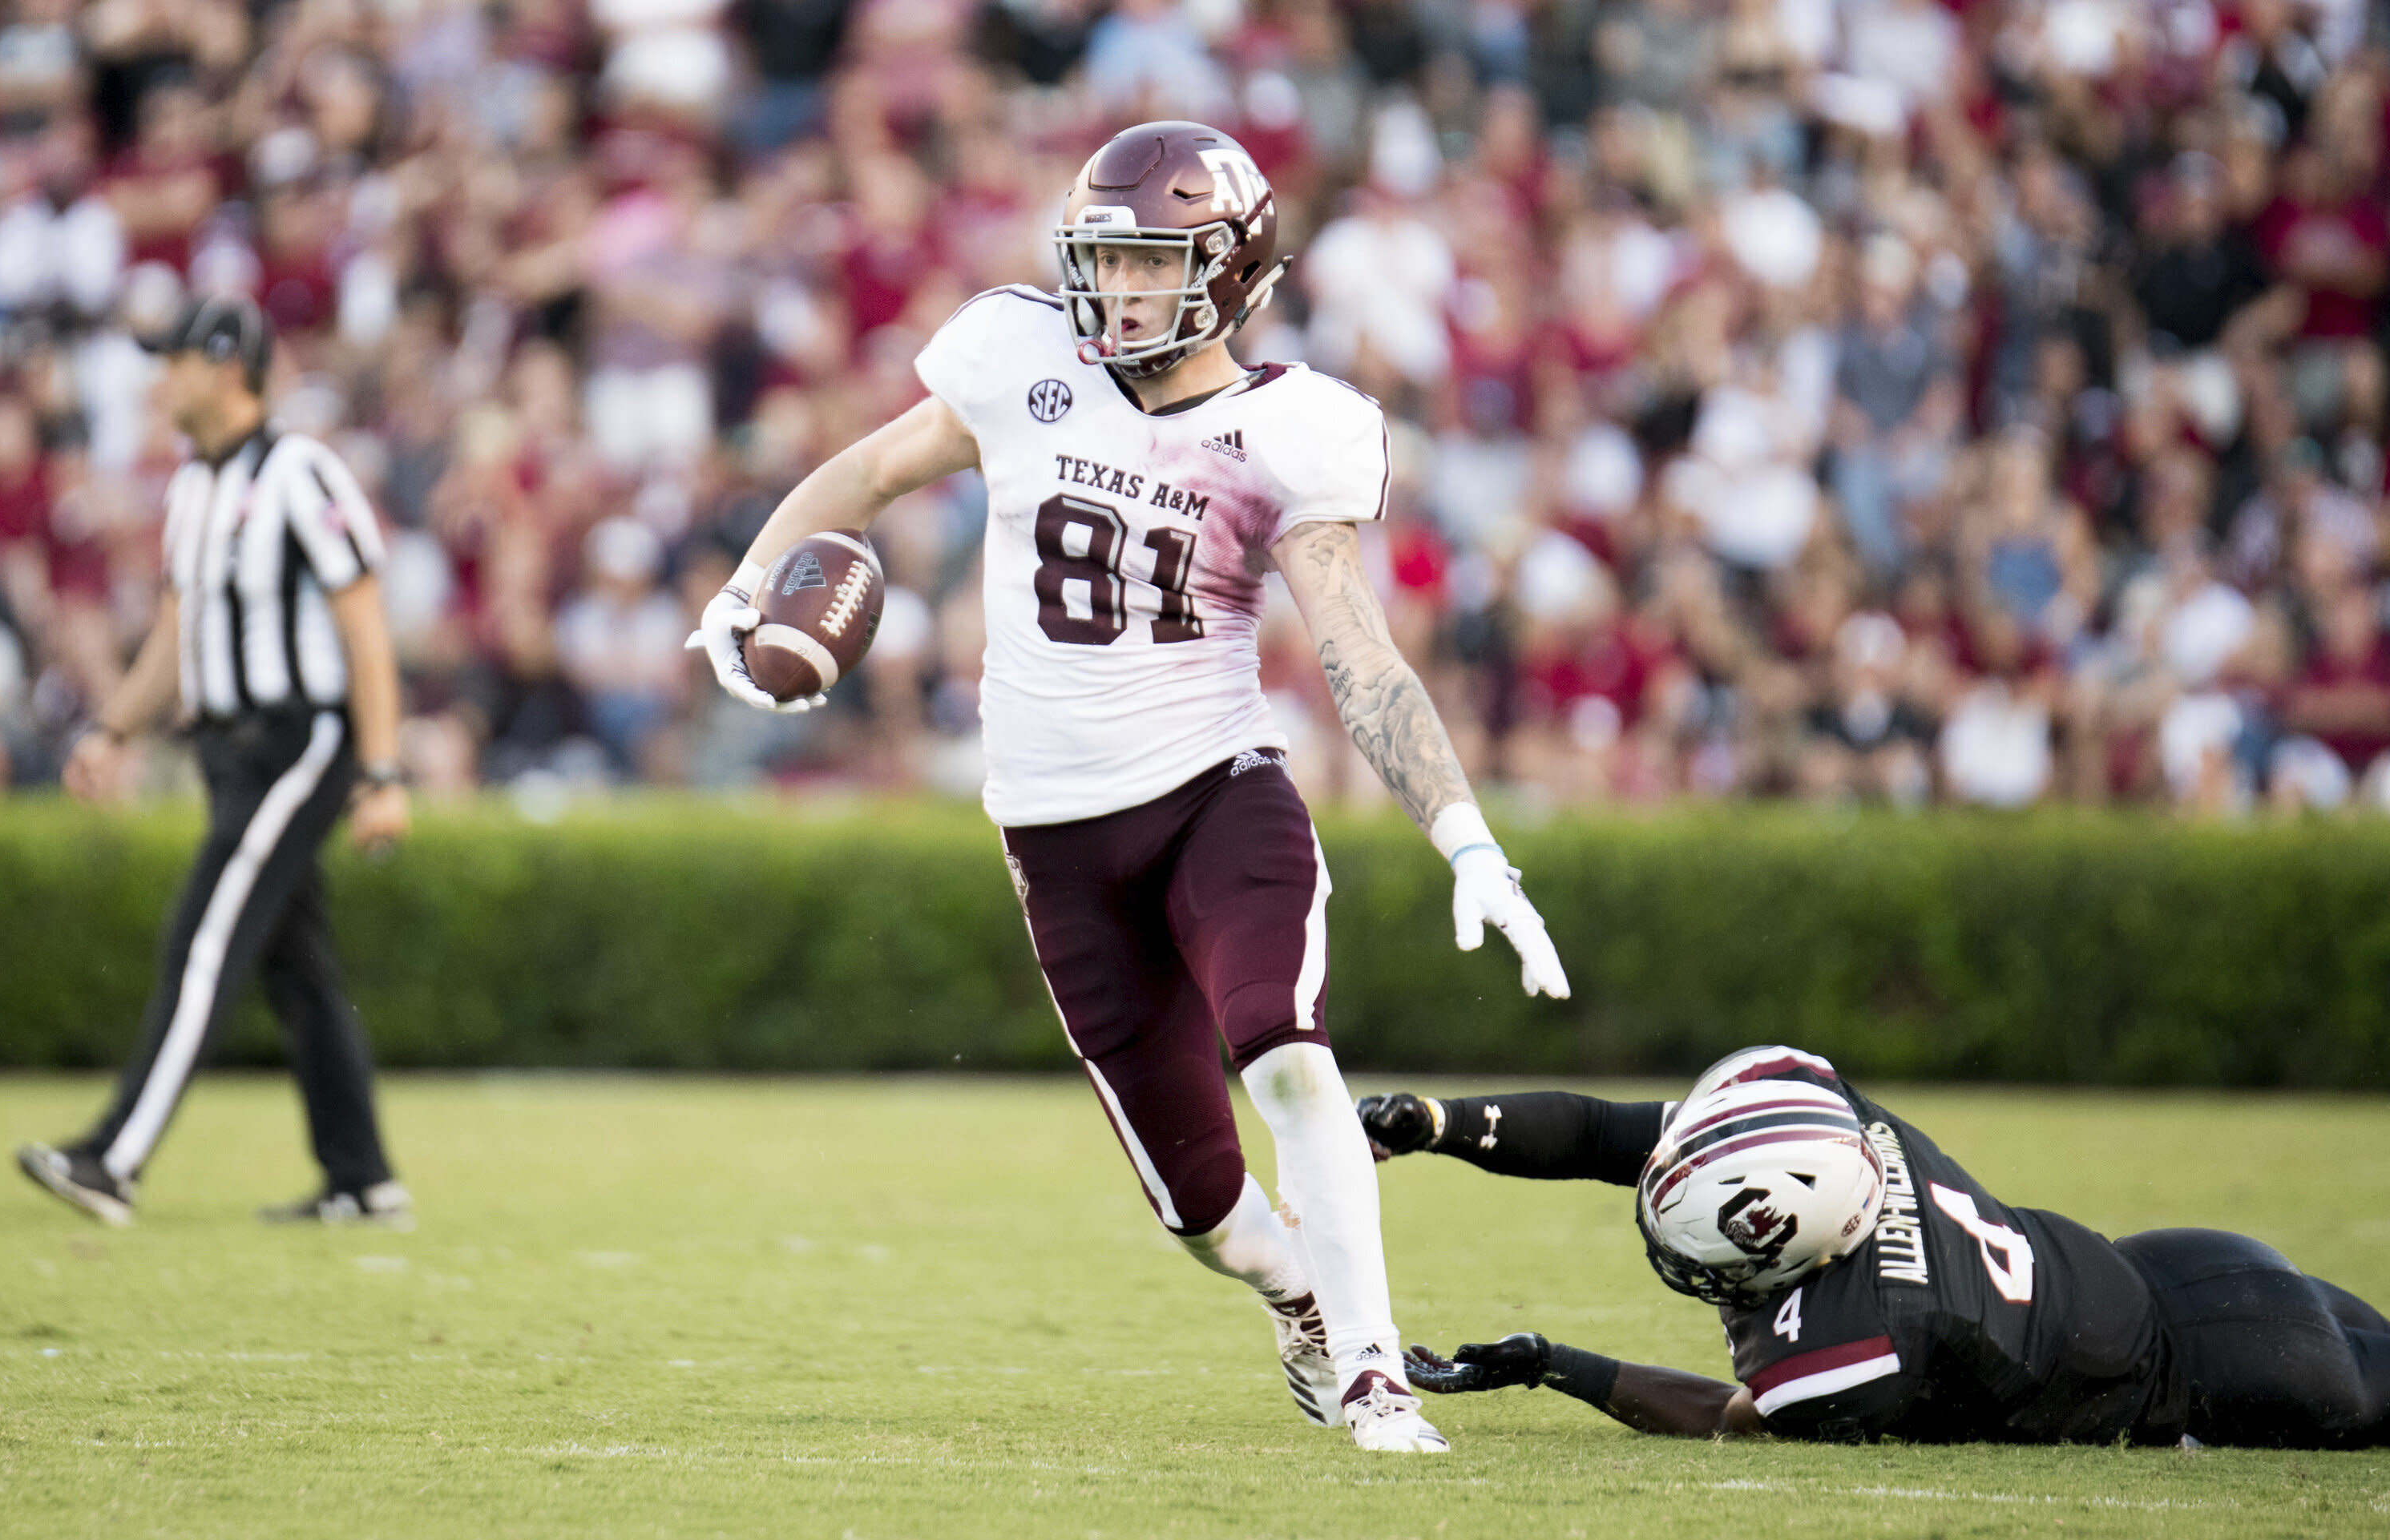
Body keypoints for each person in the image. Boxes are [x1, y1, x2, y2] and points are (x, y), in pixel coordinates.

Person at [691, 121, 1569, 1452]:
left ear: (1226, 274)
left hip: (1217, 793)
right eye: (1100, 257)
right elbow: (866, 474)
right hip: (1052, 836)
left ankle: (1378, 1371)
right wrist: (750, 584)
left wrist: (1471, 842)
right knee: (1205, 1211)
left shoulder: (1290, 428)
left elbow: (1359, 657)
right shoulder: (1020, 354)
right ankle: (1298, 1292)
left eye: (1148, 263)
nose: (1114, 287)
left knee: (1285, 1047)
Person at [1363, 1046, 2390, 1449]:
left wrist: (1560, 1366)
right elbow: (1597, 1133)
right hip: (2174, 1265)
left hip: (2234, 1376)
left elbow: (1738, 1417)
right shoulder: (1826, 1126)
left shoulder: (1861, 1340)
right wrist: (1440, 1122)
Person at [16, 296, 415, 1229]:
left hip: (299, 738)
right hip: (226, 751)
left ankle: (114, 1155)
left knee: (203, 937)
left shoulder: (301, 471)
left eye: (175, 359)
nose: (160, 379)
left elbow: (366, 629)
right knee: (296, 966)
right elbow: (177, 630)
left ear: (227, 364)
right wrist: (113, 727)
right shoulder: (192, 487)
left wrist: (384, 772)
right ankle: (361, 1177)